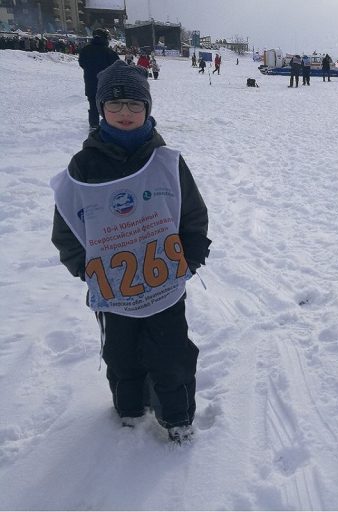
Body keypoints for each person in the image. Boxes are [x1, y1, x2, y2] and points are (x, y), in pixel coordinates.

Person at [50, 60, 211, 444]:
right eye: (116, 104)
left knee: (171, 352)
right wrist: (86, 270)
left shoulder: (166, 162)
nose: (125, 113)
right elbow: (67, 229)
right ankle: (130, 408)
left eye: (135, 105)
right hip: (114, 290)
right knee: (121, 353)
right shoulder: (83, 165)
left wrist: (189, 259)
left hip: (163, 284)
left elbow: (192, 213)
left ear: (147, 109)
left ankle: (176, 417)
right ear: (102, 107)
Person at [78, 28, 119, 131]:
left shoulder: (85, 50)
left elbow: (81, 63)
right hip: (106, 84)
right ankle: (110, 124)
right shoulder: (109, 52)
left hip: (90, 83)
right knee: (108, 104)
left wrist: (90, 70)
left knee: (93, 104)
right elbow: (117, 66)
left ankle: (94, 125)